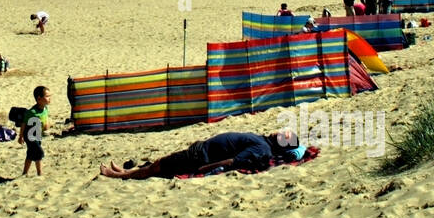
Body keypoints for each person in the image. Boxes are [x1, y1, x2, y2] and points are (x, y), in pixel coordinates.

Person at [100, 130, 306, 179]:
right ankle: (130, 171)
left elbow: (233, 162)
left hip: (202, 157)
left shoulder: (262, 149)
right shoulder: (263, 141)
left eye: (282, 135)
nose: (278, 132)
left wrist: (203, 170)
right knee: (161, 163)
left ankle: (119, 176)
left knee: (160, 167)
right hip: (202, 150)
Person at [21, 86, 51, 176]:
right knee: (39, 152)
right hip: (29, 136)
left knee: (30, 154)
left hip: (38, 134)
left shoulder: (45, 109)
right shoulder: (31, 112)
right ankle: (40, 173)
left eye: (50, 96)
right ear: (39, 98)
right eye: (47, 96)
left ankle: (25, 172)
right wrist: (20, 136)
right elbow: (23, 124)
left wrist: (47, 126)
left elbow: (46, 120)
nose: (50, 99)